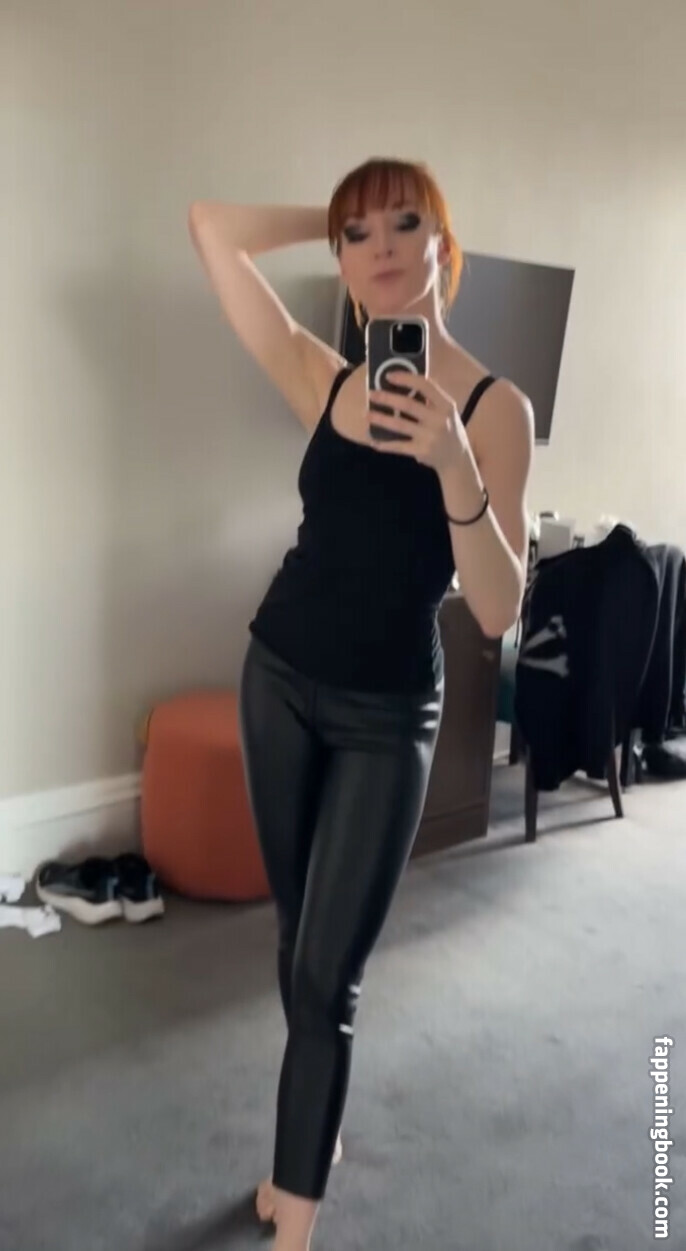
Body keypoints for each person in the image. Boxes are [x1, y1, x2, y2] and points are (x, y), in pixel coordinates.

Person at [188, 157, 534, 1251]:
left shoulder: (497, 411)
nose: (380, 246)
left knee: (327, 977)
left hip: (388, 716)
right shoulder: (326, 378)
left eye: (404, 223)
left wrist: (453, 467)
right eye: (357, 234)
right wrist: (329, 215)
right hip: (278, 681)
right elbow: (210, 227)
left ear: (444, 245)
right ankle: (313, 1131)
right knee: (301, 940)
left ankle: (295, 1221)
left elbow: (496, 609)